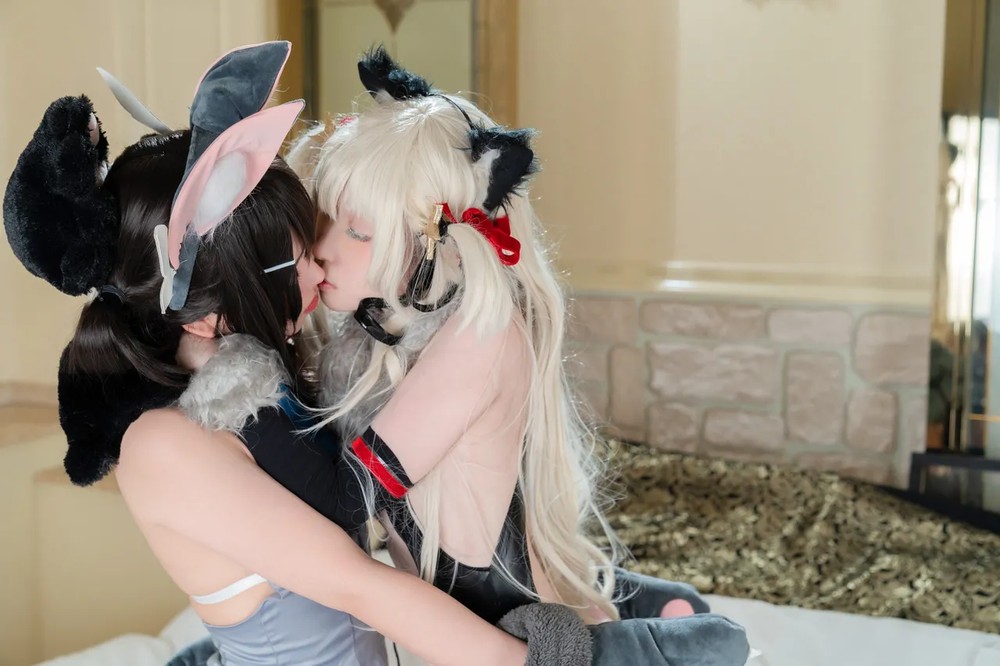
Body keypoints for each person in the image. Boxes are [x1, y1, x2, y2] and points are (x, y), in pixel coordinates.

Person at [4, 41, 742, 666]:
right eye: (298, 255)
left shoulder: (279, 383)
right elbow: (360, 579)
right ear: (207, 319)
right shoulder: (164, 442)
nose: (319, 266)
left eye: (334, 234)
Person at [305, 47, 750, 664]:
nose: (322, 247)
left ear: (436, 243)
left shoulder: (480, 336)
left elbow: (340, 496)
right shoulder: (397, 332)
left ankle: (647, 625)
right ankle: (649, 608)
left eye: (357, 230)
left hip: (530, 640)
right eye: (323, 218)